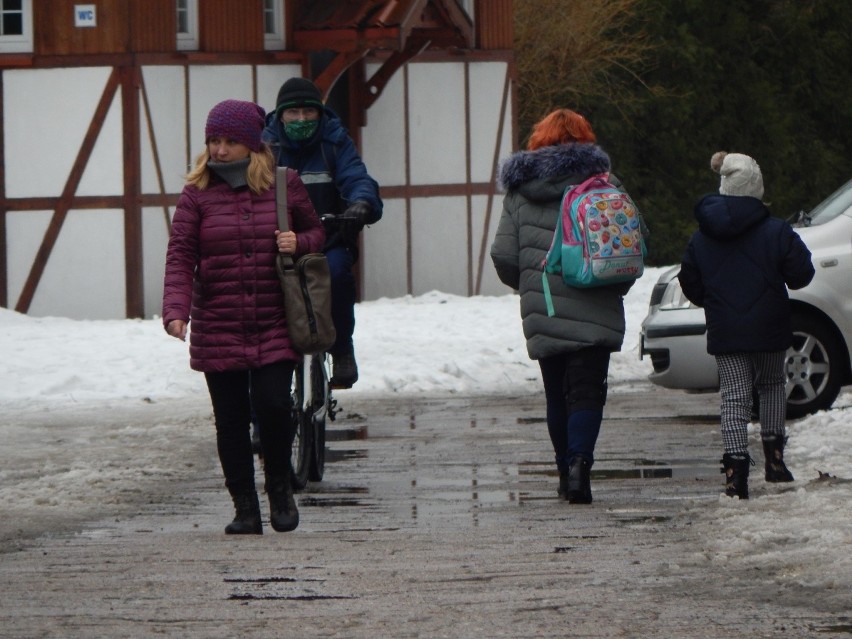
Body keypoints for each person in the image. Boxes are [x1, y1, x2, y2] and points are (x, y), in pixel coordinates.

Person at [162, 99, 326, 534]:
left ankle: (279, 489)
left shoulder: (283, 185)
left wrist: (299, 241)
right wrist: (176, 310)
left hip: (275, 316)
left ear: (251, 144)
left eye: (230, 141)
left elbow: (317, 233)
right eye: (213, 140)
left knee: (274, 405)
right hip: (219, 320)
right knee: (231, 418)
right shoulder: (196, 194)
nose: (219, 150)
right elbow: (180, 256)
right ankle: (244, 508)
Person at [490, 109, 647, 504]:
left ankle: (564, 471)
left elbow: (503, 254)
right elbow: (634, 244)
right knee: (587, 392)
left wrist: (530, 284)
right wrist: (615, 284)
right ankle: (580, 466)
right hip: (596, 302)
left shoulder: (520, 192)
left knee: (557, 395)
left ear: (538, 142)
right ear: (585, 141)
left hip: (545, 306)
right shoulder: (606, 184)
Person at [678, 151, 814, 499]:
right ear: (757, 189)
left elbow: (690, 282)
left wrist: (714, 300)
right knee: (771, 385)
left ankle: (735, 475)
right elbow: (802, 275)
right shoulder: (777, 230)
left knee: (735, 399)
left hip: (727, 329)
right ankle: (775, 462)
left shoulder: (701, 236)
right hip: (769, 324)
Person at [262, 77, 383, 389]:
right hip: (275, 242)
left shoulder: (335, 141)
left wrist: (361, 204)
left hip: (328, 237)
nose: (301, 119)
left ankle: (342, 348)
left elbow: (356, 176)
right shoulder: (264, 147)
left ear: (319, 114)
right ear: (280, 116)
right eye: (293, 113)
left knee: (338, 274)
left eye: (308, 112)